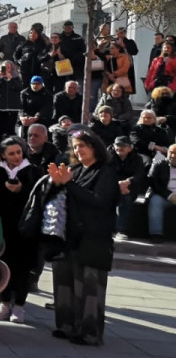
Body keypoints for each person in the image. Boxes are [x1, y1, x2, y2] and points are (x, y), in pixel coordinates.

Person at [45, 130, 117, 346]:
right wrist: (56, 183)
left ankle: (89, 332)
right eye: (75, 147)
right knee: (65, 282)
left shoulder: (106, 172)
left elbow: (98, 201)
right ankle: (67, 326)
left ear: (94, 147)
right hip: (68, 236)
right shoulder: (74, 169)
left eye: (82, 146)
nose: (78, 150)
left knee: (89, 285)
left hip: (93, 238)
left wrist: (69, 184)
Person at [0, 137, 41, 323]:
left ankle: (19, 305)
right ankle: (4, 303)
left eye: (18, 152)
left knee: (22, 266)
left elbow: (38, 194)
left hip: (24, 227)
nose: (16, 157)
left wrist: (21, 189)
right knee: (3, 264)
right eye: (11, 153)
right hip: (2, 225)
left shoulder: (32, 170)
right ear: (3, 155)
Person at [144, 143, 176, 239]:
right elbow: (153, 183)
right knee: (155, 201)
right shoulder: (159, 164)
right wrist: (170, 196)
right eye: (171, 152)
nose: (173, 156)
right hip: (163, 195)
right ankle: (156, 234)